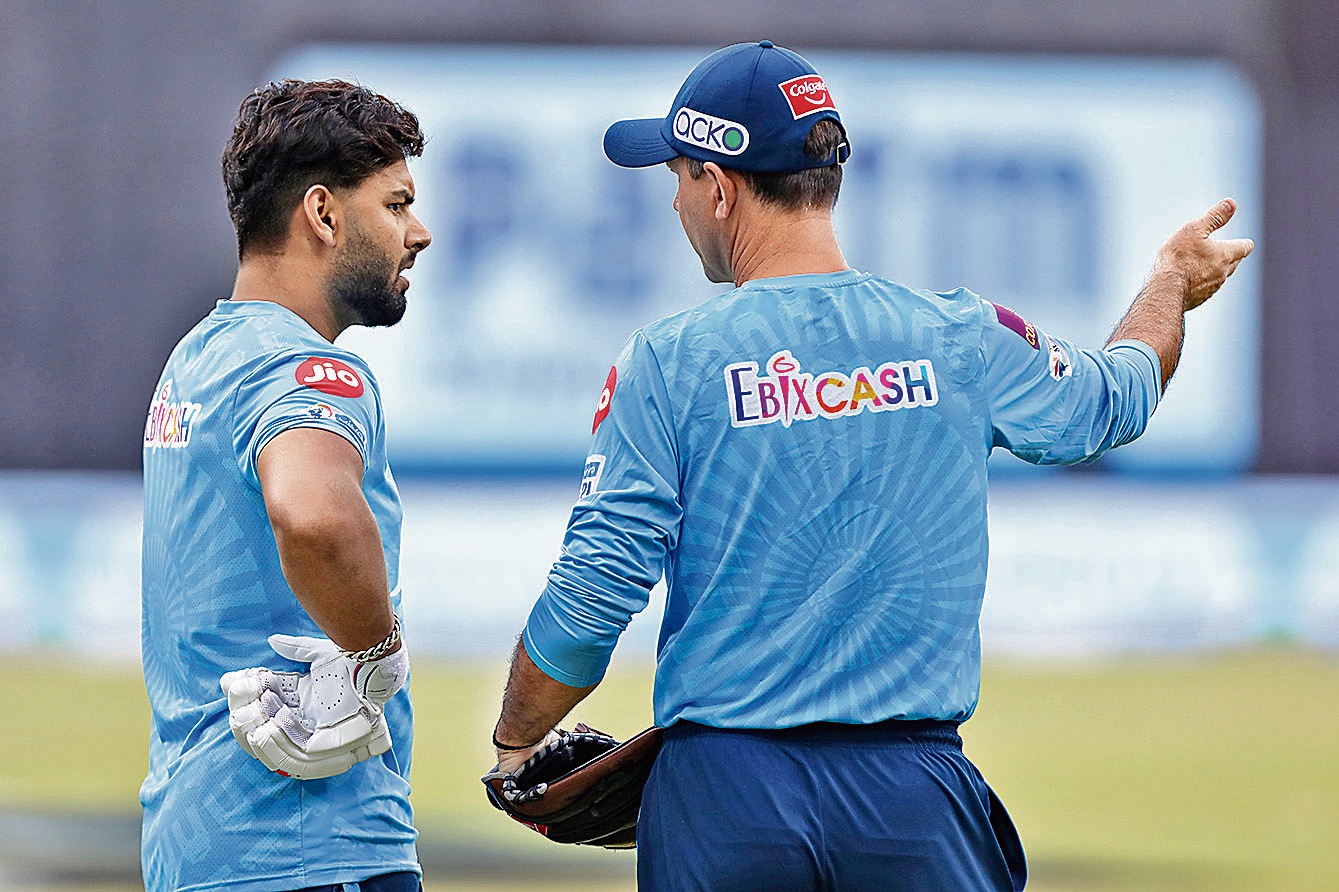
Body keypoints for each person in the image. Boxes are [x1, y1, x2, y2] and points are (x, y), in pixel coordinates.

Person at [487, 41, 1253, 891]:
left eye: (675, 175)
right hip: (916, 798)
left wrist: (518, 738)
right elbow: (1113, 399)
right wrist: (1169, 282)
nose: (673, 202)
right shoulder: (957, 335)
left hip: (725, 796)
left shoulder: (669, 362)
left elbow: (595, 588)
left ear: (718, 185)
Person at [140, 79, 432, 892]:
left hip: (194, 847)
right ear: (324, 214)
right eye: (397, 204)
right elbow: (313, 516)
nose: (419, 233)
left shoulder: (195, 360)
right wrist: (375, 658)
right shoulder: (307, 368)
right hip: (312, 847)